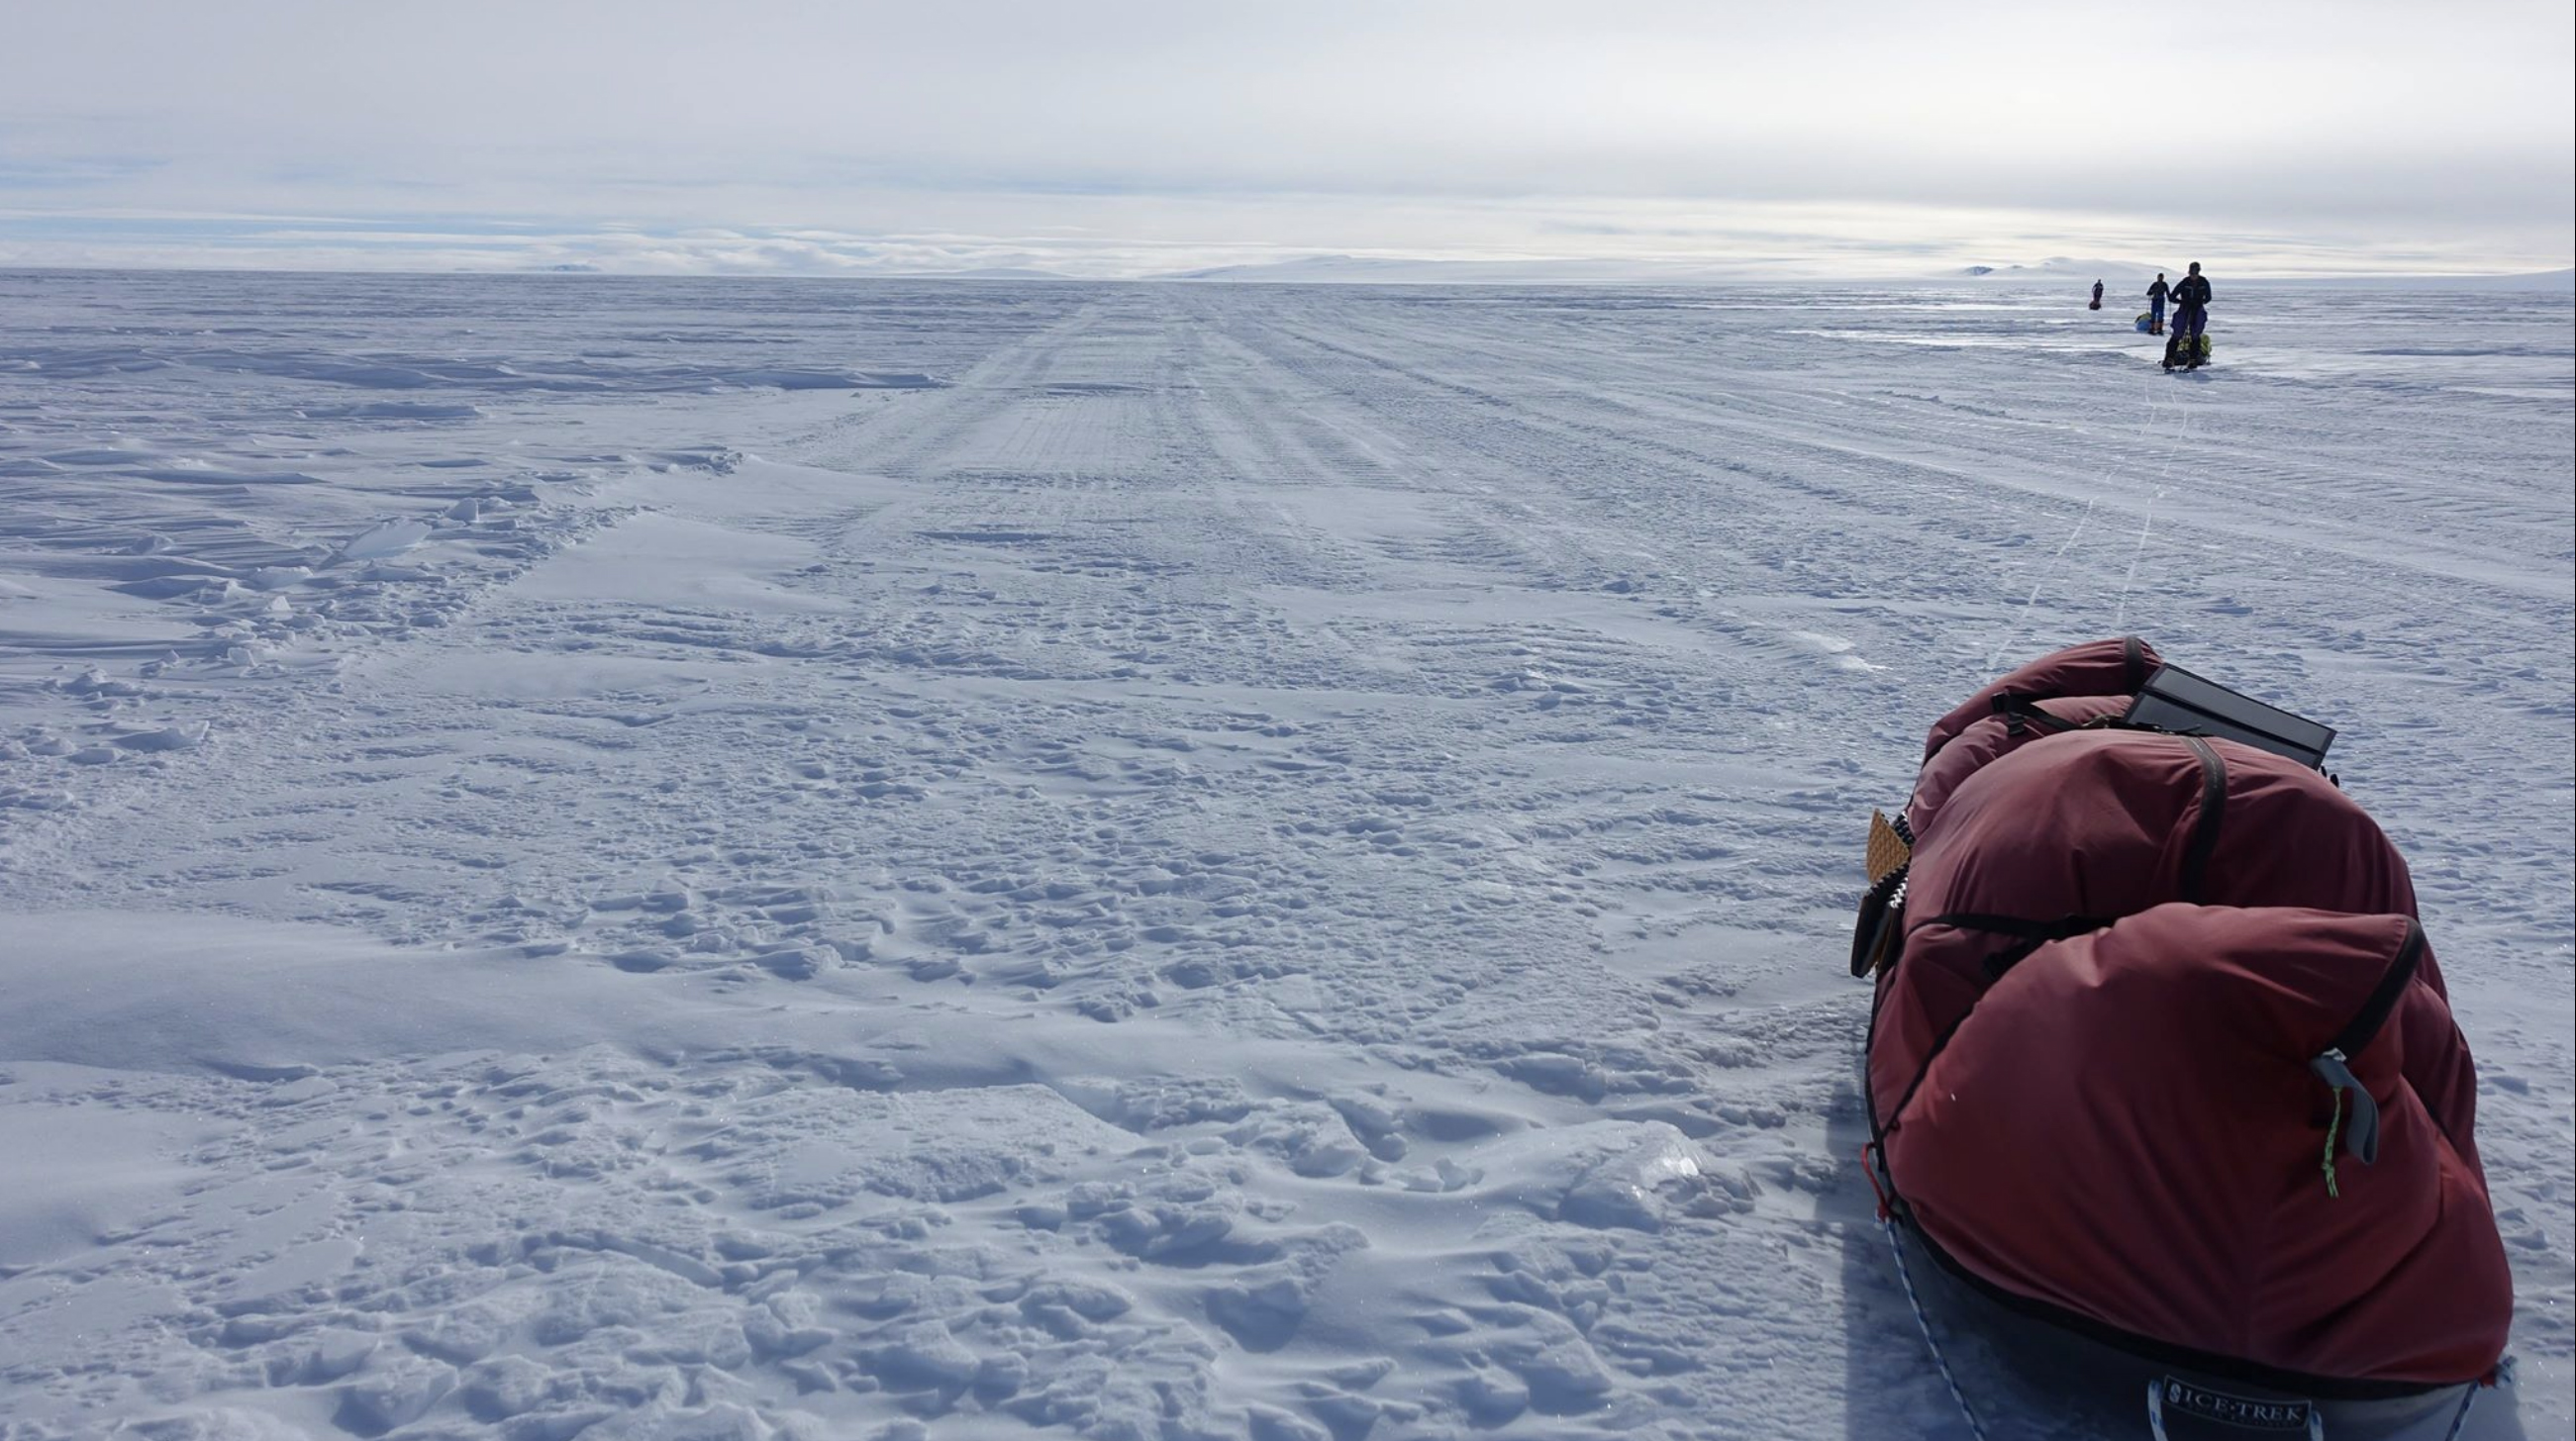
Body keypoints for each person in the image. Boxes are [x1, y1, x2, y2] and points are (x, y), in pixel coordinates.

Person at [2170, 262, 2211, 347]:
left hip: (2197, 308)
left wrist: (2200, 302)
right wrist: (2182, 302)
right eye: (2192, 273)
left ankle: (2194, 357)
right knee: (2177, 332)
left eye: (2195, 273)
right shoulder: (2184, 282)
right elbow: (2172, 297)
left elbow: (2208, 297)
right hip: (2184, 308)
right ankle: (2169, 357)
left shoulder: (2204, 282)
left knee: (2195, 334)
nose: (2193, 276)